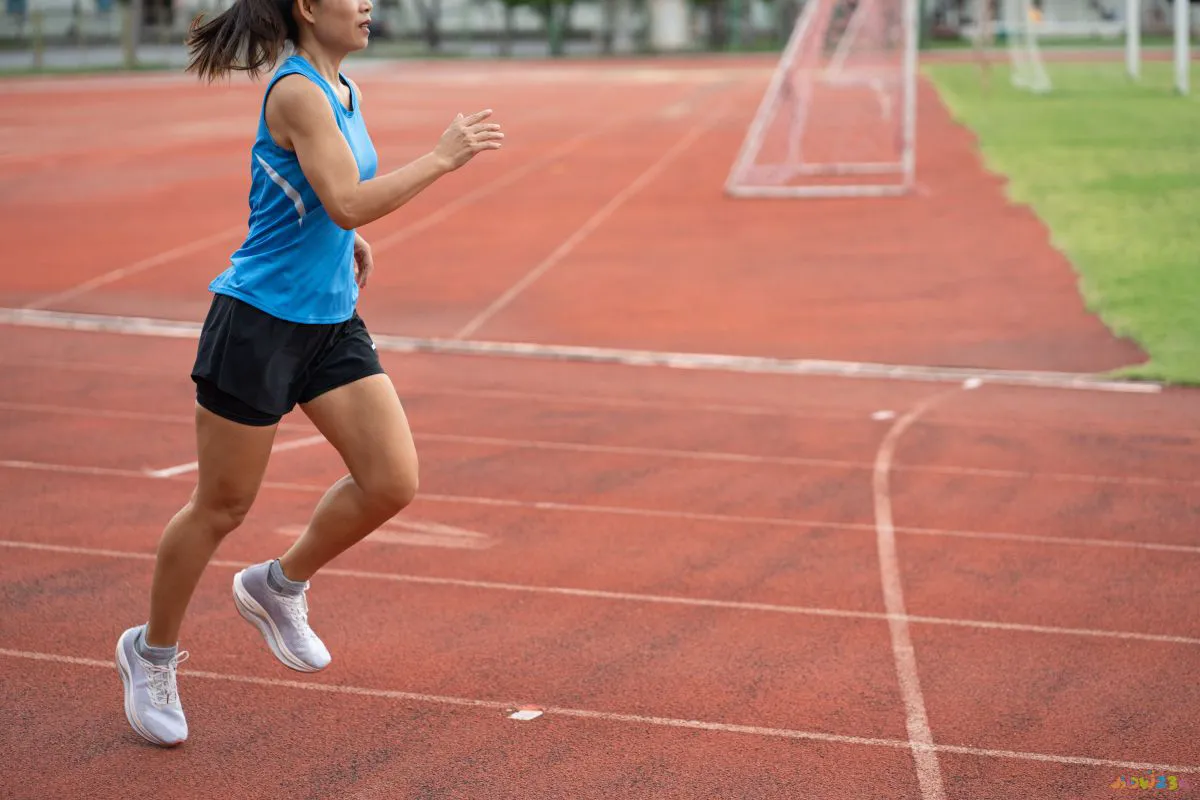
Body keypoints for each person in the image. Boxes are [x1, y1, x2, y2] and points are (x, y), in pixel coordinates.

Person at [114, 0, 503, 748]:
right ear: (305, 7)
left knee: (391, 480)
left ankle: (277, 585)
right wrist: (443, 156)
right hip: (258, 325)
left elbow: (329, 207)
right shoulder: (295, 89)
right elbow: (347, 196)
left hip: (329, 321)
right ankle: (151, 652)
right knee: (221, 507)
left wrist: (342, 242)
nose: (368, 6)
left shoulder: (344, 87)